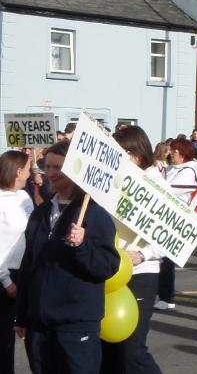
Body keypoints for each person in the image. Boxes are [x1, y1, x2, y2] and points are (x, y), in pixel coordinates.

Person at [15, 140, 119, 374]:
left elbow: (107, 266)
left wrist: (82, 245)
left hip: (75, 325)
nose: (50, 173)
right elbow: (29, 265)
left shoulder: (94, 214)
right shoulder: (41, 213)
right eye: (47, 166)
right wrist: (22, 315)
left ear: (75, 170)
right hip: (39, 326)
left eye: (58, 168)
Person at [101, 126, 164, 374]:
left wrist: (143, 254)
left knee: (132, 349)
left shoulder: (156, 185)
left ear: (137, 154)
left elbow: (170, 237)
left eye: (122, 151)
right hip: (111, 270)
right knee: (108, 346)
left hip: (141, 272)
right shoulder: (111, 181)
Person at [156, 138, 197, 310]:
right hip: (162, 216)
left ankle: (167, 297)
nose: (170, 154)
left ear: (183, 154)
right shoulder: (169, 168)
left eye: (174, 151)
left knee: (166, 260)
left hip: (175, 218)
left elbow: (168, 190)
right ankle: (163, 294)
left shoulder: (189, 171)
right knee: (159, 259)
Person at [0, 151, 34, 374]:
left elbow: (32, 232)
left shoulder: (24, 197)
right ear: (18, 171)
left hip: (25, 273)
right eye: (29, 168)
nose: (31, 173)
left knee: (24, 336)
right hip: (4, 276)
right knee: (3, 341)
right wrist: (5, 280)